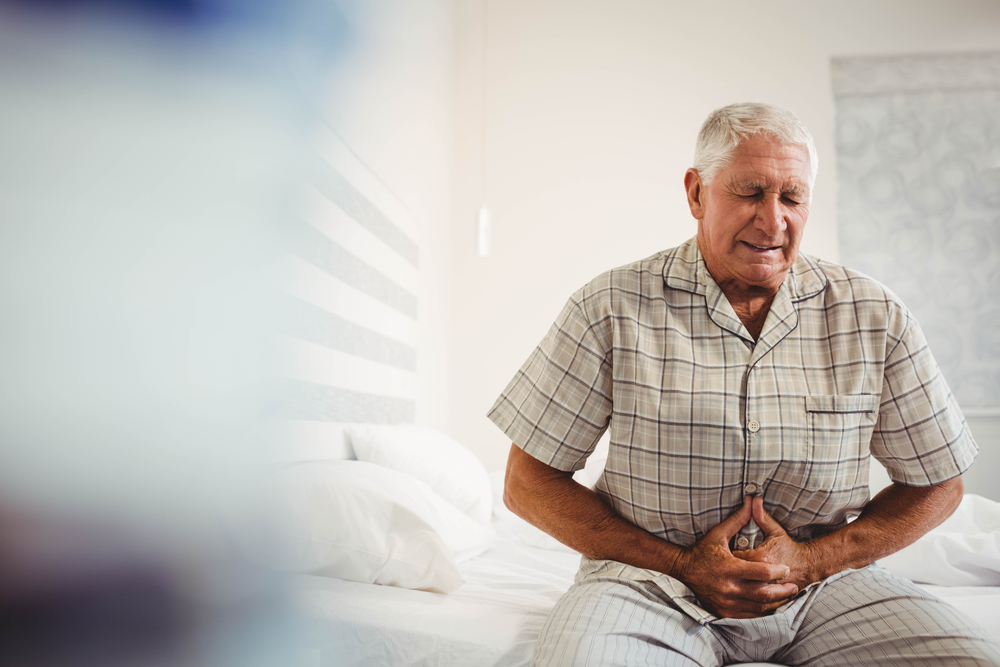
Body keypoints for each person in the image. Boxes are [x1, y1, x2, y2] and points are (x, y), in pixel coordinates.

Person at [486, 102, 1000, 666]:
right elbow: (527, 482)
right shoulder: (608, 306)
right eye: (751, 192)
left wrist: (814, 562)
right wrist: (681, 565)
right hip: (648, 585)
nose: (773, 219)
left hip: (822, 587)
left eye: (792, 197)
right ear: (696, 193)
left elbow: (939, 483)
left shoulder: (874, 313)